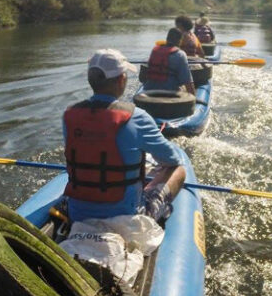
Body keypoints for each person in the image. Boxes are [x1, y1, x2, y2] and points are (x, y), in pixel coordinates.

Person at [63, 49, 186, 223]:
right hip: (127, 216)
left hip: (77, 214)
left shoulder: (69, 115)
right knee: (178, 169)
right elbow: (171, 159)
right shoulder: (138, 117)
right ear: (121, 80)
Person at [144, 28, 195, 95]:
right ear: (180, 41)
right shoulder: (180, 54)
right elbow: (188, 82)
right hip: (170, 94)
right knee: (183, 88)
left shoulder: (154, 51)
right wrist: (193, 99)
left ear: (167, 39)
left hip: (149, 91)